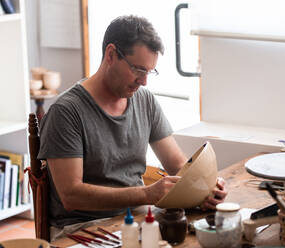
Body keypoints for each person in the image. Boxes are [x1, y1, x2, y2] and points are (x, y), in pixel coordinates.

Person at [38, 15, 227, 239]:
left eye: (150, 71)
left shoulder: (144, 100)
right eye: (138, 69)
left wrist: (205, 187)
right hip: (81, 229)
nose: (144, 81)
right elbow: (71, 195)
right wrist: (146, 194)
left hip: (137, 218)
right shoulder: (67, 111)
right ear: (111, 54)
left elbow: (176, 164)